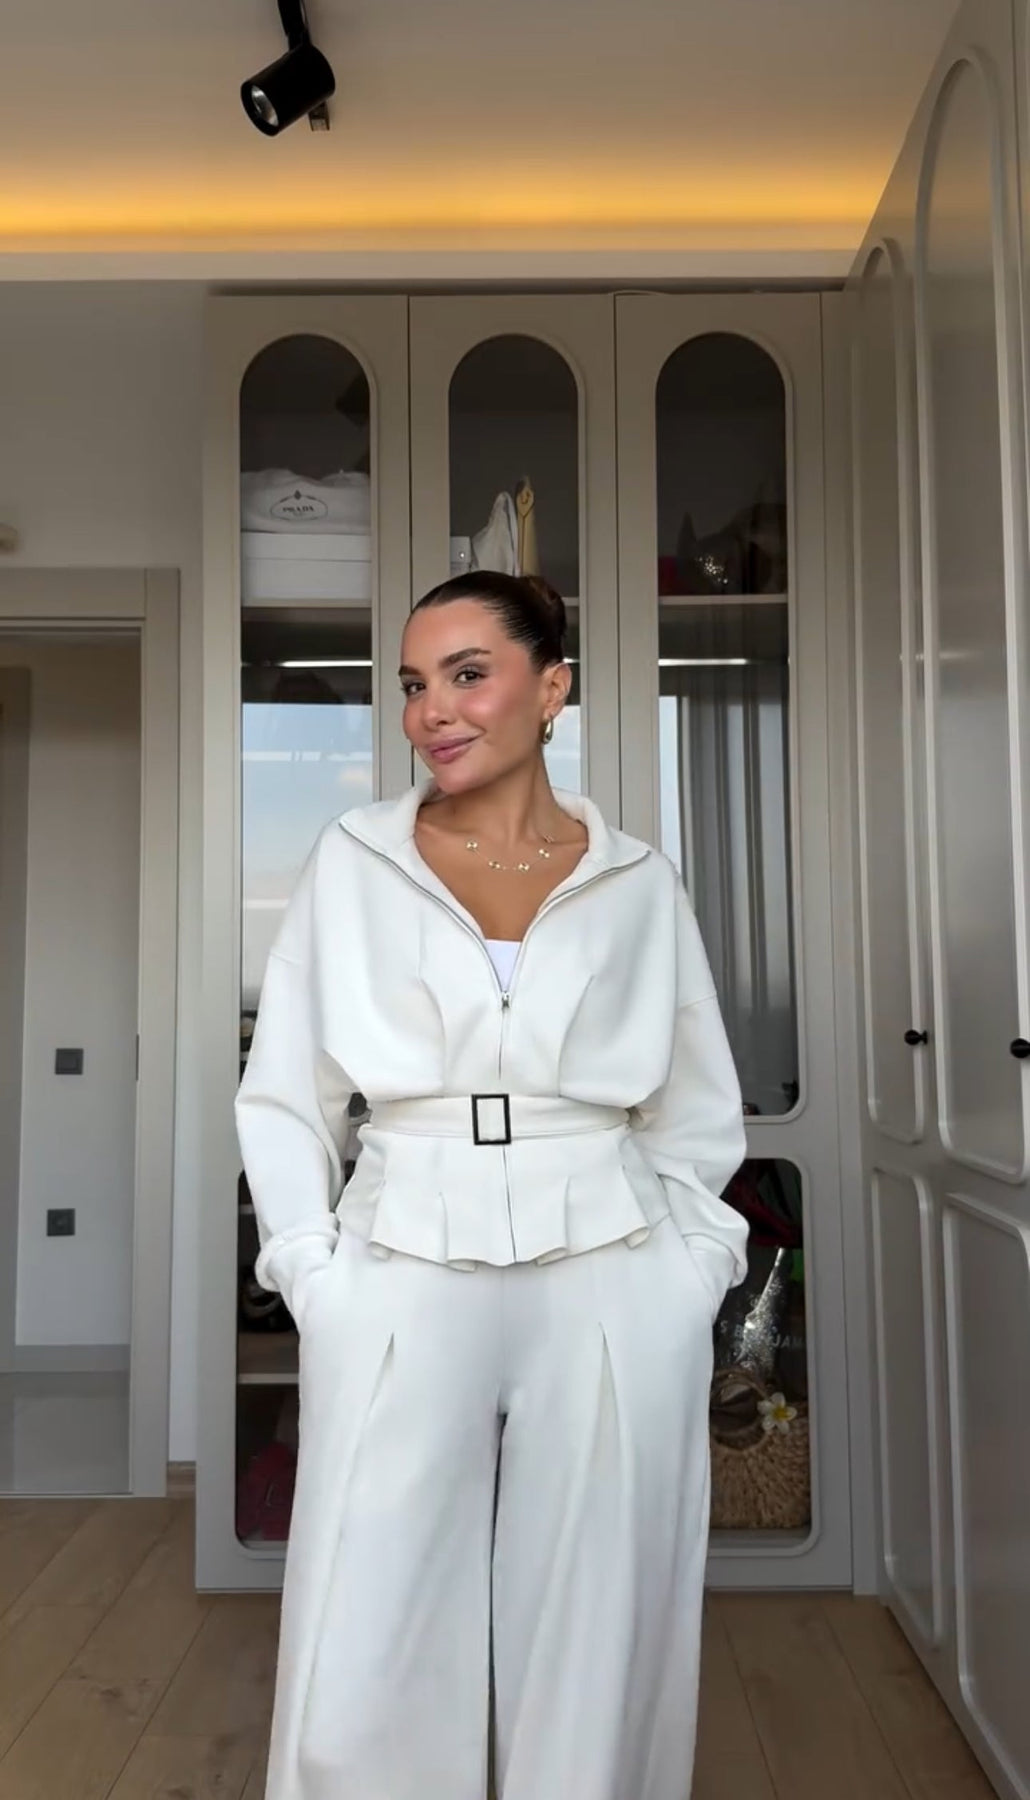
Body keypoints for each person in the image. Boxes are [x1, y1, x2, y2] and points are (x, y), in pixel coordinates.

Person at [236, 570, 749, 1800]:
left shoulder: (636, 879)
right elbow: (286, 1093)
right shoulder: (354, 860)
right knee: (367, 1622)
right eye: (415, 683)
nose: (433, 709)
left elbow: (694, 1110)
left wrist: (692, 1272)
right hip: (399, 1263)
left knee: (598, 1619)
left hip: (614, 1270)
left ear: (551, 687)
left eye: (469, 674)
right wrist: (313, 1274)